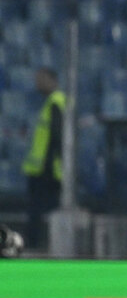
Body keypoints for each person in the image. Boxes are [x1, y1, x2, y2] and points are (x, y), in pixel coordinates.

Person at [22, 68, 66, 248]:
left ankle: (36, 245)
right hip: (42, 168)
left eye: (41, 79)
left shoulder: (56, 102)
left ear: (52, 79)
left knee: (39, 211)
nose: (37, 83)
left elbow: (57, 136)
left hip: (45, 169)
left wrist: (52, 166)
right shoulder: (51, 102)